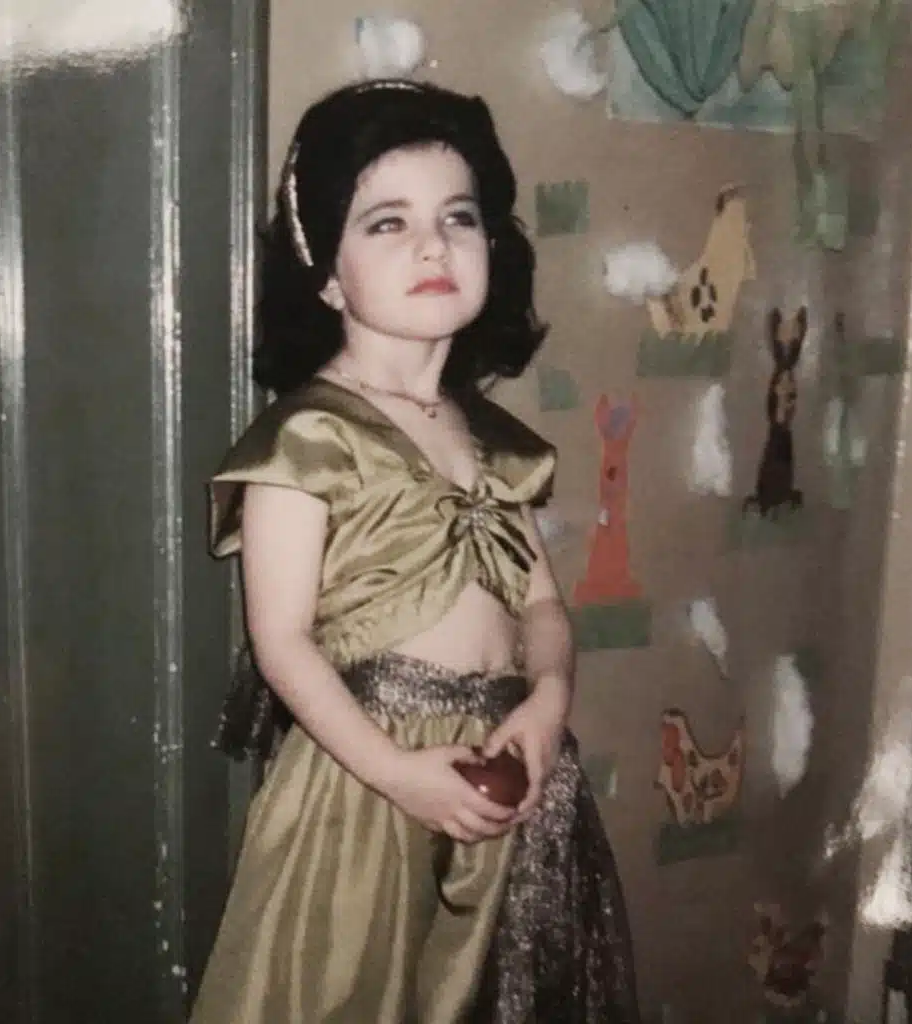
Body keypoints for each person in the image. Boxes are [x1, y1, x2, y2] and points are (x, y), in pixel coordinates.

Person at [191, 78, 640, 1024]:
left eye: (458, 218)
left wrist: (548, 700)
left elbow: (541, 605)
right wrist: (397, 773)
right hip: (368, 791)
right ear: (326, 273)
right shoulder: (305, 441)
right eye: (388, 223)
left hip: (508, 780)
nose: (434, 245)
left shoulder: (493, 444)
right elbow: (282, 645)